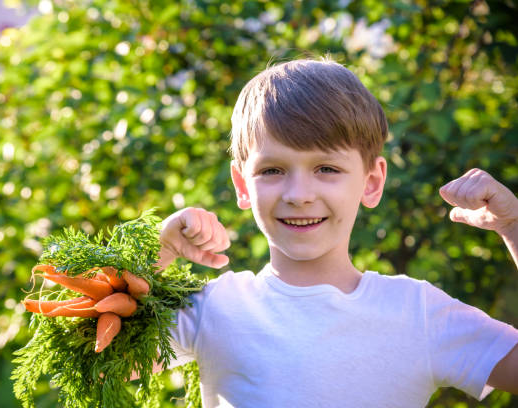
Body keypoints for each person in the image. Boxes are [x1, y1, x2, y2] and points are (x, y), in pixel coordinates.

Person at [153, 59, 518, 407]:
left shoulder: (417, 313)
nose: (299, 195)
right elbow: (98, 360)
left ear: (371, 182)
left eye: (326, 168)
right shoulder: (214, 308)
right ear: (242, 184)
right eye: (273, 170)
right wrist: (160, 250)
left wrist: (514, 228)